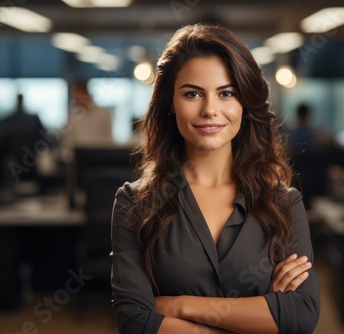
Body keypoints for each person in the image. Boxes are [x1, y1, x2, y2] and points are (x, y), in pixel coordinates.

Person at [111, 24, 320, 334]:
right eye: (193, 93)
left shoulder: (283, 204)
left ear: (244, 103)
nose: (210, 110)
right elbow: (134, 321)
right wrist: (262, 315)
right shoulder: (134, 203)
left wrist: (178, 306)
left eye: (226, 93)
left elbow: (302, 314)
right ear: (170, 102)